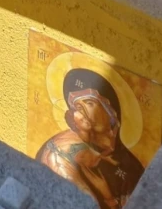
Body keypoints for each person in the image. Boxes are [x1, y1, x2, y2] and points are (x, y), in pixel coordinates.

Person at [37, 68, 144, 208]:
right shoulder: (62, 150)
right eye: (77, 106)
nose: (80, 112)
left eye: (89, 103)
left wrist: (109, 198)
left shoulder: (132, 167)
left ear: (111, 113)